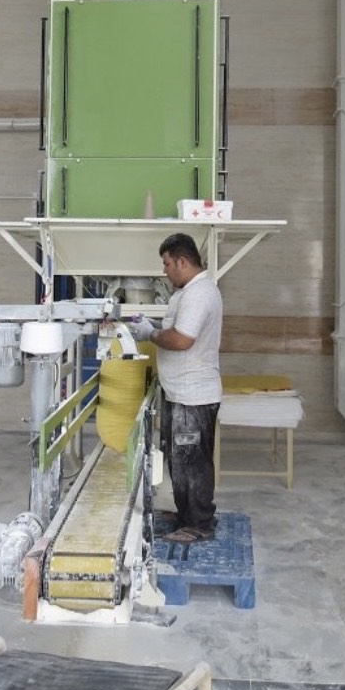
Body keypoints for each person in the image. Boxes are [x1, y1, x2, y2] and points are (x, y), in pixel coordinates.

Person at [130, 233, 222, 544]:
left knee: (192, 462)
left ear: (182, 261)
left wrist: (150, 335)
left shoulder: (199, 293)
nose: (164, 270)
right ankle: (187, 514)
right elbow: (177, 331)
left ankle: (199, 524)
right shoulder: (189, 293)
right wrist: (154, 328)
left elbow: (182, 340)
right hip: (181, 393)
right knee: (181, 459)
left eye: (167, 264)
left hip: (193, 397)